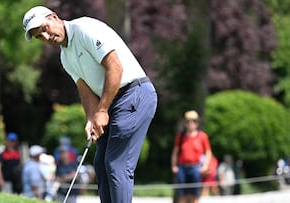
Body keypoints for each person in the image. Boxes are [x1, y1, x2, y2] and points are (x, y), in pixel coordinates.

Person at [22, 6, 158, 203]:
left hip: (134, 94)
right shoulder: (65, 56)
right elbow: (85, 91)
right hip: (113, 102)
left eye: (44, 28)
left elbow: (115, 68)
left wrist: (101, 111)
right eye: (38, 36)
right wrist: (90, 118)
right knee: (101, 165)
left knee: (116, 164)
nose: (45, 36)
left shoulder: (84, 28)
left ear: (54, 17)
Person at [171, 110, 212, 203]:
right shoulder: (181, 136)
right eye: (188, 121)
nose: (191, 123)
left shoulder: (202, 136)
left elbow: (208, 152)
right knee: (182, 195)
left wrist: (205, 166)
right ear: (185, 123)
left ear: (197, 122)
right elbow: (175, 152)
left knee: (195, 195)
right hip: (182, 168)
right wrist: (174, 166)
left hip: (196, 168)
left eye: (194, 121)